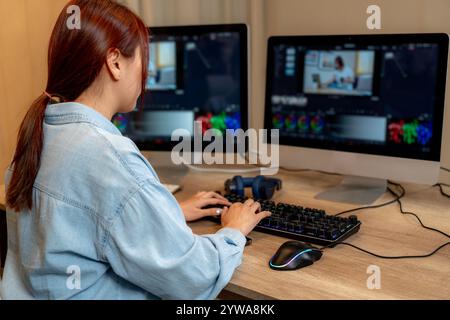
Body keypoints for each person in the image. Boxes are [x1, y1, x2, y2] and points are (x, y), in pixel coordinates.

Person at [1, 0, 270, 300]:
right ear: (115, 62)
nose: (146, 72)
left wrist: (167, 214)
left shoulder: (40, 133)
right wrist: (233, 231)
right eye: (144, 58)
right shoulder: (110, 157)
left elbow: (78, 225)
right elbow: (192, 278)